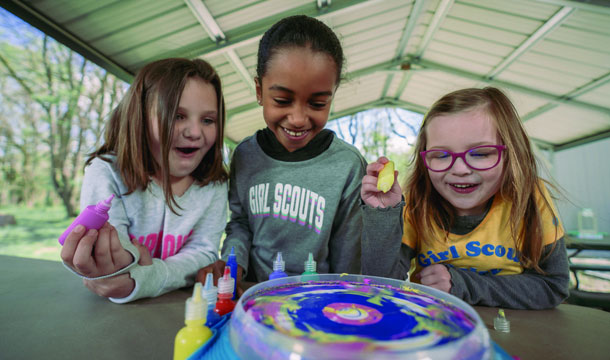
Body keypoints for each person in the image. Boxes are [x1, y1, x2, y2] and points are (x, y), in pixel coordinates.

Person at [197, 15, 365, 293]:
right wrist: (233, 267)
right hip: (252, 295)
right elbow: (240, 224)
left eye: (318, 103)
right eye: (283, 101)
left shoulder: (348, 166)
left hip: (317, 301)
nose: (298, 118)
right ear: (259, 91)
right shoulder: (245, 155)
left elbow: (349, 254)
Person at [361, 87, 569, 309]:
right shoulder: (415, 204)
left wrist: (461, 285)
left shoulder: (530, 198)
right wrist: (382, 216)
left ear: (511, 153)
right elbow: (379, 283)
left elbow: (553, 286)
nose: (459, 169)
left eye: (480, 153)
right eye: (440, 155)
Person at [60, 58, 229, 303]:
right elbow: (111, 259)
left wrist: (145, 276)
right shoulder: (106, 171)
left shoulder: (214, 184)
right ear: (138, 117)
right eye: (177, 115)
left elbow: (204, 252)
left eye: (208, 120)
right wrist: (121, 266)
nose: (194, 132)